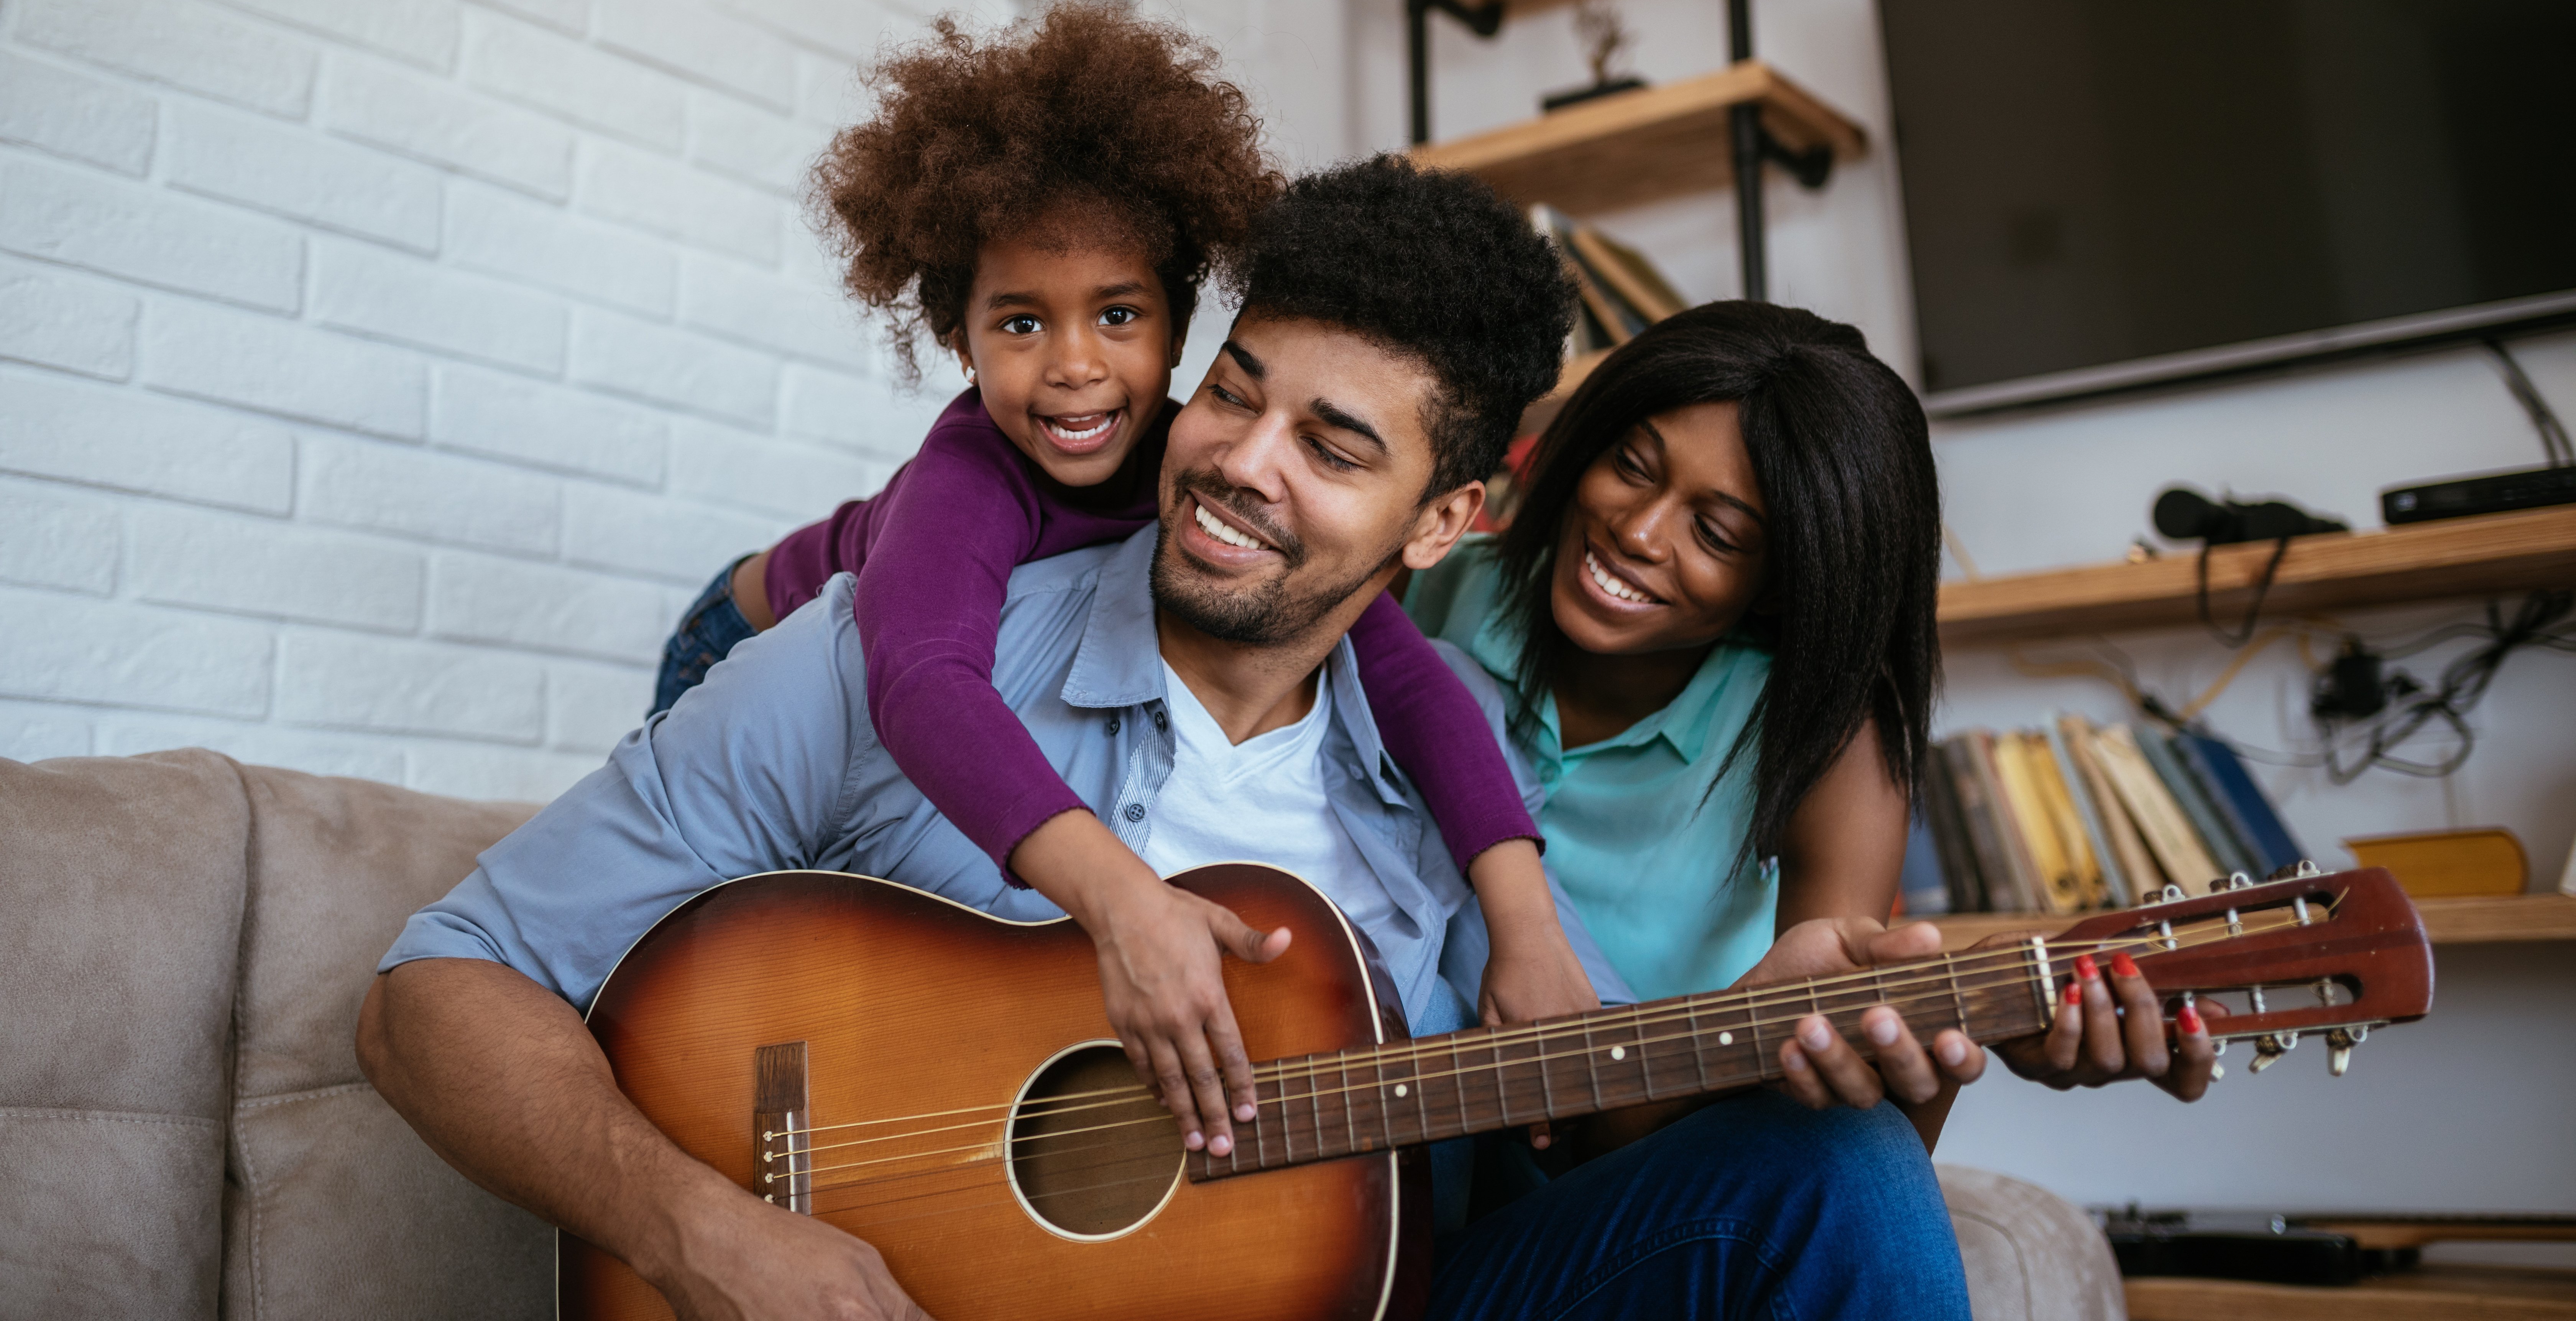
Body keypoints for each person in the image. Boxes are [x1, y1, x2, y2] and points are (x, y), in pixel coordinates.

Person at [358, 161, 1980, 1320]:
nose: (1234, 461)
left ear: (1449, 521)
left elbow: (1590, 1113)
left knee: (1840, 1180)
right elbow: (435, 992)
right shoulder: (881, 654)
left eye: (1334, 445)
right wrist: (712, 1238)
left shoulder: (1460, 800)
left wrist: (1811, 1050)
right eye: (1232, 392)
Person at [652, 1, 1594, 1148]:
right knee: (708, 976)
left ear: (1177, 321)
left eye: (1117, 316)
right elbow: (921, 680)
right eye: (1018, 324)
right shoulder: (968, 479)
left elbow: (1410, 683)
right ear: (957, 337)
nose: (1075, 371)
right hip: (743, 628)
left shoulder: (1191, 446)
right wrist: (1118, 898)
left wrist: (1525, 929)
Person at [1403, 300, 2216, 1171]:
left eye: (1716, 533)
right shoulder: (1432, 588)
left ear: (1787, 583)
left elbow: (1857, 1117)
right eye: (1632, 465)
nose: (1637, 532)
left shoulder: (1829, 739)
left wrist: (1940, 1051)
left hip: (1627, 1153)